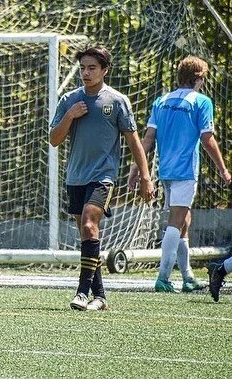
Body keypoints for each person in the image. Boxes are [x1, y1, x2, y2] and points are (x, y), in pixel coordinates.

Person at [50, 45, 154, 312]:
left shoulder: (117, 101)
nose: (86, 72)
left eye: (92, 68)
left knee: (88, 225)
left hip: (103, 177)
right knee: (88, 237)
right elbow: (54, 140)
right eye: (83, 67)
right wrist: (70, 117)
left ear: (105, 70)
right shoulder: (69, 100)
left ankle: (82, 293)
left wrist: (145, 177)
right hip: (76, 177)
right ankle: (101, 296)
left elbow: (134, 141)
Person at [128, 56, 231, 293]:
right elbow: (207, 139)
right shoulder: (201, 102)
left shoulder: (161, 101)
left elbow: (148, 139)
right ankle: (163, 277)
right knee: (176, 221)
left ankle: (187, 277)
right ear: (198, 79)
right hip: (185, 170)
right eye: (203, 79)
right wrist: (223, 170)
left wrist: (136, 169)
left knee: (184, 221)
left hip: (166, 170)